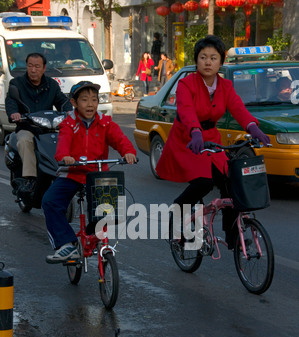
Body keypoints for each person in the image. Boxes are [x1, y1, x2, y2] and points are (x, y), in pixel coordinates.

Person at [155, 35, 270, 248]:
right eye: (203, 57)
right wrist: (195, 131)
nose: (208, 62)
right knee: (203, 182)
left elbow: (238, 109)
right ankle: (178, 210)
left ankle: (232, 233)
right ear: (196, 61)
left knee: (231, 184)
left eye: (213, 58)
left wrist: (253, 127)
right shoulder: (185, 84)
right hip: (188, 140)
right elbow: (186, 110)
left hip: (211, 140)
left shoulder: (225, 86)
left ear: (221, 62)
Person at [42, 81, 137, 264]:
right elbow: (63, 144)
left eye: (94, 100)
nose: (90, 104)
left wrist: (128, 152)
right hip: (72, 173)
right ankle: (66, 244)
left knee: (110, 209)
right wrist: (65, 156)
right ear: (74, 103)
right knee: (50, 201)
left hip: (98, 174)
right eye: (84, 100)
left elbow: (119, 138)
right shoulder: (69, 123)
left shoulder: (105, 123)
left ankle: (93, 233)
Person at [5, 52, 72, 195]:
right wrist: (14, 113)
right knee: (24, 141)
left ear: (44, 68)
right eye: (30, 66)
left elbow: (62, 101)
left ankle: (66, 172)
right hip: (27, 127)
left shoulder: (52, 84)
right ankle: (30, 178)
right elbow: (11, 101)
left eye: (37, 66)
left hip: (48, 128)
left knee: (65, 139)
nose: (33, 70)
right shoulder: (16, 83)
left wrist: (69, 112)